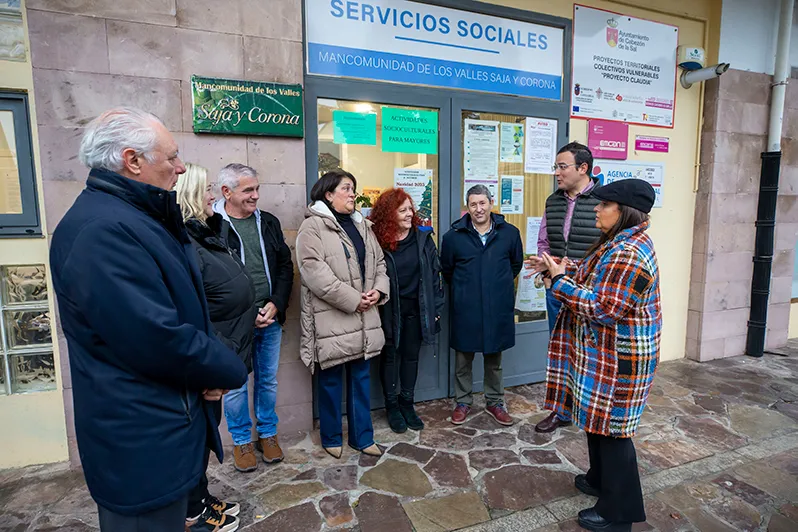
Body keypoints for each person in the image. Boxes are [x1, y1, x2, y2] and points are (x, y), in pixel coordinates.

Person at [49, 108, 248, 532]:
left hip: (162, 427)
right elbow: (155, 337)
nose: (180, 168)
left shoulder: (135, 216)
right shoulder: (103, 231)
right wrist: (226, 367)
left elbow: (179, 307)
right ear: (132, 160)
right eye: (171, 157)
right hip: (140, 441)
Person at [527, 179, 661, 531]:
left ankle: (619, 513)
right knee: (598, 423)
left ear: (624, 212)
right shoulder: (617, 242)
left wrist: (559, 283)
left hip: (622, 360)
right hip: (606, 356)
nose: (596, 209)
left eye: (604, 205)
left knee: (615, 432)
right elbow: (591, 274)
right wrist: (559, 268)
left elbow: (603, 307)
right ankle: (600, 480)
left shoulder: (628, 252)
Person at [176, 163, 259, 531]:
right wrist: (220, 352)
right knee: (197, 439)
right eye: (206, 190)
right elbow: (192, 311)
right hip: (213, 356)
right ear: (190, 196)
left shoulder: (206, 232)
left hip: (226, 350)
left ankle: (202, 497)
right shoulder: (185, 242)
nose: (212, 195)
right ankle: (194, 512)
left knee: (207, 434)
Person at [296, 169, 389, 458]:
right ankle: (331, 436)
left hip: (365, 317)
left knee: (361, 381)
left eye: (353, 189)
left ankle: (363, 437)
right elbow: (315, 274)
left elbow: (380, 264)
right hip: (333, 319)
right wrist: (353, 300)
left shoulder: (364, 226)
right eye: (347, 189)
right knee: (331, 382)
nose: (353, 194)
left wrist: (378, 291)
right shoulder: (312, 228)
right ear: (328, 194)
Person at [212, 163, 294, 471]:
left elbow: (285, 266)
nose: (256, 196)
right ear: (226, 192)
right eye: (248, 190)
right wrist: (248, 314)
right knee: (235, 384)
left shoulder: (268, 222)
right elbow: (211, 280)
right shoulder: (211, 225)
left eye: (257, 189)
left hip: (270, 316)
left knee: (267, 381)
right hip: (233, 323)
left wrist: (276, 302)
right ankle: (241, 441)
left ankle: (268, 435)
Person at [440, 184, 523, 427]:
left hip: (497, 306)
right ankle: (463, 401)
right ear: (468, 207)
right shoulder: (453, 237)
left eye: (482, 203)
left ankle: (495, 402)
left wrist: (498, 285)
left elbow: (515, 264)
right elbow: (447, 271)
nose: (478, 208)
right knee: (463, 359)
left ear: (491, 203)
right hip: (467, 307)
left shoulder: (509, 233)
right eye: (473, 204)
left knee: (493, 358)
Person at [534, 142, 602, 435]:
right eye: (556, 167)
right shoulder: (553, 200)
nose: (557, 173)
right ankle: (560, 411)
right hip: (558, 290)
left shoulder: (605, 201)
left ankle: (589, 408)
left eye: (563, 166)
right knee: (560, 351)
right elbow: (545, 241)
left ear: (582, 168)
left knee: (591, 352)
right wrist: (547, 272)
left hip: (590, 294)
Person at [369, 188, 444, 433]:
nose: (409, 214)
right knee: (390, 357)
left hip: (418, 309)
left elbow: (435, 276)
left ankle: (407, 403)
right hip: (388, 310)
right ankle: (391, 406)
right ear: (389, 214)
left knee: (411, 356)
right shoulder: (377, 240)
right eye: (403, 210)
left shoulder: (423, 238)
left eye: (410, 209)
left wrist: (436, 308)